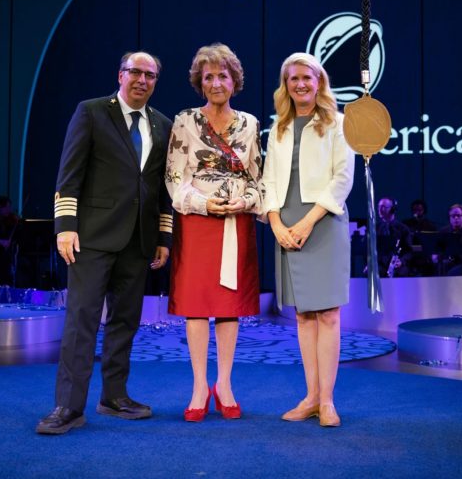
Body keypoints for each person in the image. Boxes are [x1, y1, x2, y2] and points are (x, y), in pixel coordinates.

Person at [35, 51, 174, 435]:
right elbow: (70, 172)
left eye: (150, 75)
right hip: (91, 238)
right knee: (81, 321)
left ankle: (114, 396)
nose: (142, 80)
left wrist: (164, 236)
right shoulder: (92, 112)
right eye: (135, 72)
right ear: (120, 74)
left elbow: (162, 187)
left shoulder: (162, 125)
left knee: (125, 322)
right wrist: (65, 225)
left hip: (139, 240)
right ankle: (68, 406)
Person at [165, 43, 263, 422]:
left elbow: (259, 177)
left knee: (228, 306)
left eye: (223, 75)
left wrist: (246, 202)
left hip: (236, 223)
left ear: (234, 80)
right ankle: (198, 386)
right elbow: (174, 178)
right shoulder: (185, 120)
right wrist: (205, 204)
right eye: (209, 77)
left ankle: (224, 384)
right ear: (199, 83)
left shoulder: (251, 124)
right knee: (195, 305)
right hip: (196, 221)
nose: (216, 82)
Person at [261, 52, 354, 428]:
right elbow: (267, 182)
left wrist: (307, 222)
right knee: (302, 316)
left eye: (307, 78)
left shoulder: (338, 124)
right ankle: (311, 397)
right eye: (293, 79)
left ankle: (328, 401)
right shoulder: (279, 129)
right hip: (285, 225)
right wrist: (276, 224)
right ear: (286, 85)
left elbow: (342, 180)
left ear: (320, 82)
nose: (300, 84)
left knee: (328, 315)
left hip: (324, 223)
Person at [376, 197, 414, 277]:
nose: (380, 209)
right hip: (380, 265)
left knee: (403, 272)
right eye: (379, 207)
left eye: (383, 207)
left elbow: (409, 251)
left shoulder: (402, 229)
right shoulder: (375, 228)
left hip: (397, 265)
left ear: (392, 209)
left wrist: (401, 261)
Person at [431, 203, 462, 275]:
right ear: (449, 218)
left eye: (458, 216)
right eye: (453, 216)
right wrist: (434, 255)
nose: (456, 218)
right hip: (446, 262)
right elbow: (436, 248)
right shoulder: (443, 232)